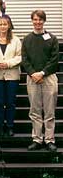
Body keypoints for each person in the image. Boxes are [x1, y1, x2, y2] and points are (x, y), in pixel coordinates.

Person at [22, 10, 58, 152]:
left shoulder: (52, 39)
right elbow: (24, 59)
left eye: (40, 20)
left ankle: (49, 139)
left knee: (49, 111)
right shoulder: (27, 39)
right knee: (35, 110)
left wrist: (42, 73)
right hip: (32, 78)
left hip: (48, 78)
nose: (38, 22)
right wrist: (32, 73)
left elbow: (54, 59)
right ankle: (37, 138)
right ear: (32, 20)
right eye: (35, 19)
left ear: (44, 21)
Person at [0, 16, 21, 137]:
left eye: (5, 24)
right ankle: (0, 126)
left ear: (9, 26)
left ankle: (10, 126)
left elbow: (20, 56)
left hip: (12, 75)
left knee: (11, 102)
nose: (3, 27)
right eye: (0, 24)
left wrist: (8, 63)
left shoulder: (16, 40)